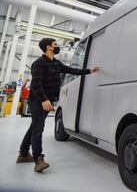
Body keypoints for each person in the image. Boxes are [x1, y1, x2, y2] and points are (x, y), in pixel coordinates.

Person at [16, 38, 99, 172]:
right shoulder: (38, 63)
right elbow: (36, 85)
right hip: (37, 101)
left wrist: (90, 71)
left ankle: (24, 154)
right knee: (38, 129)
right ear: (48, 47)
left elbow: (72, 71)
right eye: (55, 45)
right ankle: (38, 160)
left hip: (47, 101)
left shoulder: (56, 63)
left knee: (34, 127)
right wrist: (44, 100)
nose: (57, 46)